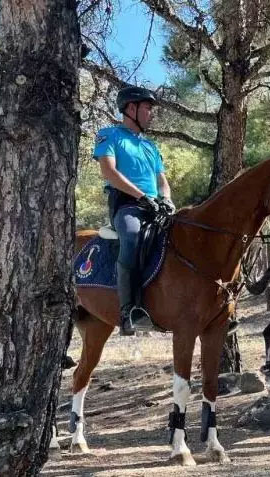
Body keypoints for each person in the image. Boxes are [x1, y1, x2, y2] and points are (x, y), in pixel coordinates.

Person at [93, 86, 174, 336]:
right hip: (127, 206)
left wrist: (167, 199)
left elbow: (162, 180)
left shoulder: (150, 146)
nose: (151, 114)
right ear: (131, 109)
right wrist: (141, 197)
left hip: (156, 206)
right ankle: (129, 311)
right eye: (148, 108)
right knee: (132, 235)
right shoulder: (109, 135)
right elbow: (109, 172)